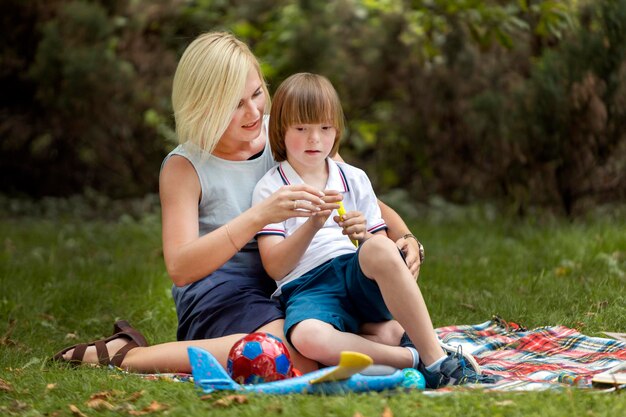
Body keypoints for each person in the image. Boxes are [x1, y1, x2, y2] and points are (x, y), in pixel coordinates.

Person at [52, 32, 423, 373]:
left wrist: (405, 238)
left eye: (257, 94)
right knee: (287, 356)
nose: (253, 113)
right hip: (224, 290)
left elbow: (352, 192)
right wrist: (261, 214)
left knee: (380, 329)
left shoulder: (283, 132)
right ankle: (129, 355)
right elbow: (181, 268)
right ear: (203, 107)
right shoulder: (185, 167)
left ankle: (399, 356)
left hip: (295, 280)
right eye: (234, 105)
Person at [252, 73, 497, 388]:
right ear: (280, 131)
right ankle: (412, 358)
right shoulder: (271, 188)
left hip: (354, 275)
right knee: (308, 337)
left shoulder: (352, 179)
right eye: (302, 129)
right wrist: (312, 225)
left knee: (379, 249)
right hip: (308, 288)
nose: (315, 140)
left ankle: (436, 358)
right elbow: (275, 266)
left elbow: (382, 254)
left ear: (337, 130)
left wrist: (363, 236)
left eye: (325, 128)